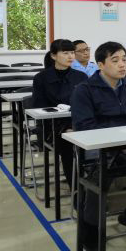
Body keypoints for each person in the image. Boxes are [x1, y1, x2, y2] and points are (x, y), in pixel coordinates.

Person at [70, 41, 126, 251]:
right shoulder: (84, 90)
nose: (122, 64)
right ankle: (91, 229)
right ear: (100, 65)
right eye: (115, 60)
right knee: (99, 175)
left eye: (124, 59)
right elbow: (85, 127)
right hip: (99, 147)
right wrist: (123, 139)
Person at [32, 39, 88, 187]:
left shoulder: (81, 77)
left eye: (72, 52)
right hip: (52, 127)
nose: (70, 56)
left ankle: (93, 184)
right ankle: (76, 189)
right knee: (69, 145)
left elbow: (87, 104)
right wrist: (65, 126)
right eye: (65, 53)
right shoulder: (41, 78)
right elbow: (39, 108)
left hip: (77, 122)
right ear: (53, 55)